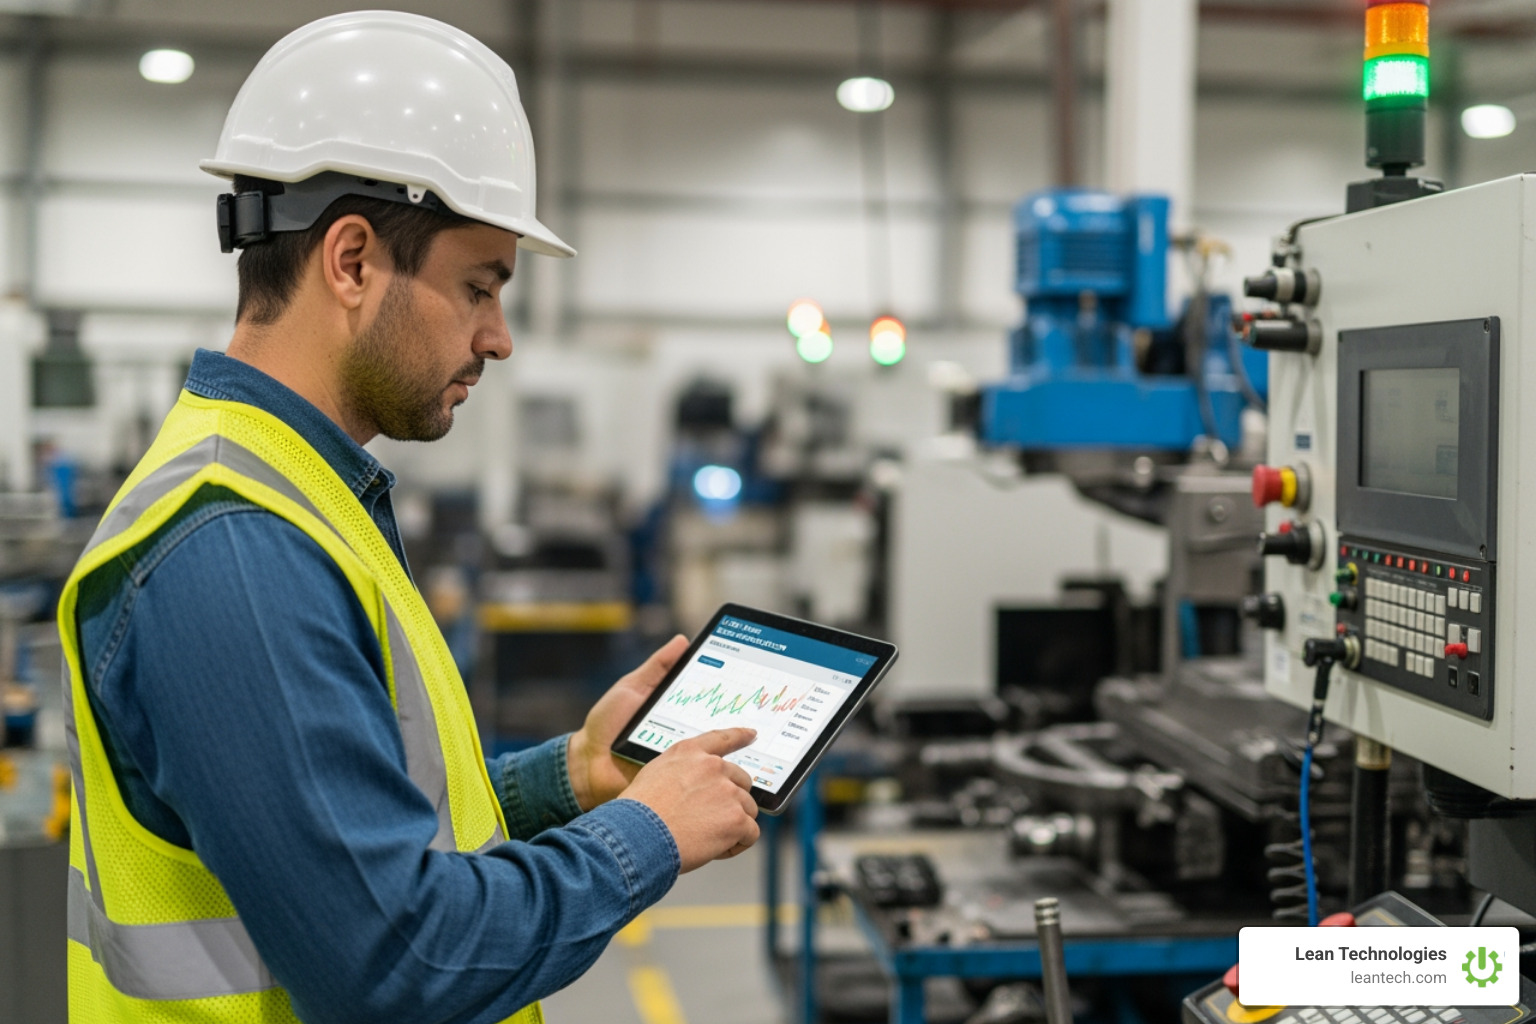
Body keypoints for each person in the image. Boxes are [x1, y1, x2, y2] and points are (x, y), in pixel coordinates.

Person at [60, 12, 759, 1024]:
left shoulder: (298, 497)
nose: (502, 337)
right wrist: (646, 833)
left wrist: (567, 780)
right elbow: (397, 960)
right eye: (480, 286)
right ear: (350, 262)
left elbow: (354, 835)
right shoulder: (236, 551)